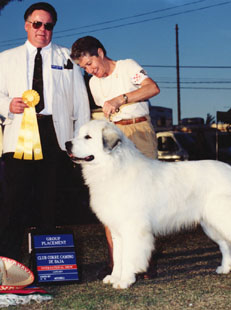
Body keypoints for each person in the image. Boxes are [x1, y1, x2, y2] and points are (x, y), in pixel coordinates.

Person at [0, 2, 90, 260]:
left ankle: (49, 264)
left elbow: (81, 102)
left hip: (57, 136)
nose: (42, 29)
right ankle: (5, 261)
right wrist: (8, 105)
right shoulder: (7, 57)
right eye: (37, 24)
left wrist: (81, 142)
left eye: (48, 25)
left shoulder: (68, 57)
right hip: (19, 137)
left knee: (51, 200)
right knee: (14, 201)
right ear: (26, 25)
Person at [71, 35, 160, 279]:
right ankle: (116, 264)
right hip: (113, 139)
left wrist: (121, 99)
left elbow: (153, 88)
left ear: (100, 52)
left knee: (144, 200)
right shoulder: (93, 84)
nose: (90, 71)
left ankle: (144, 263)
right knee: (111, 202)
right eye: (84, 68)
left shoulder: (127, 66)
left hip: (138, 131)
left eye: (90, 64)